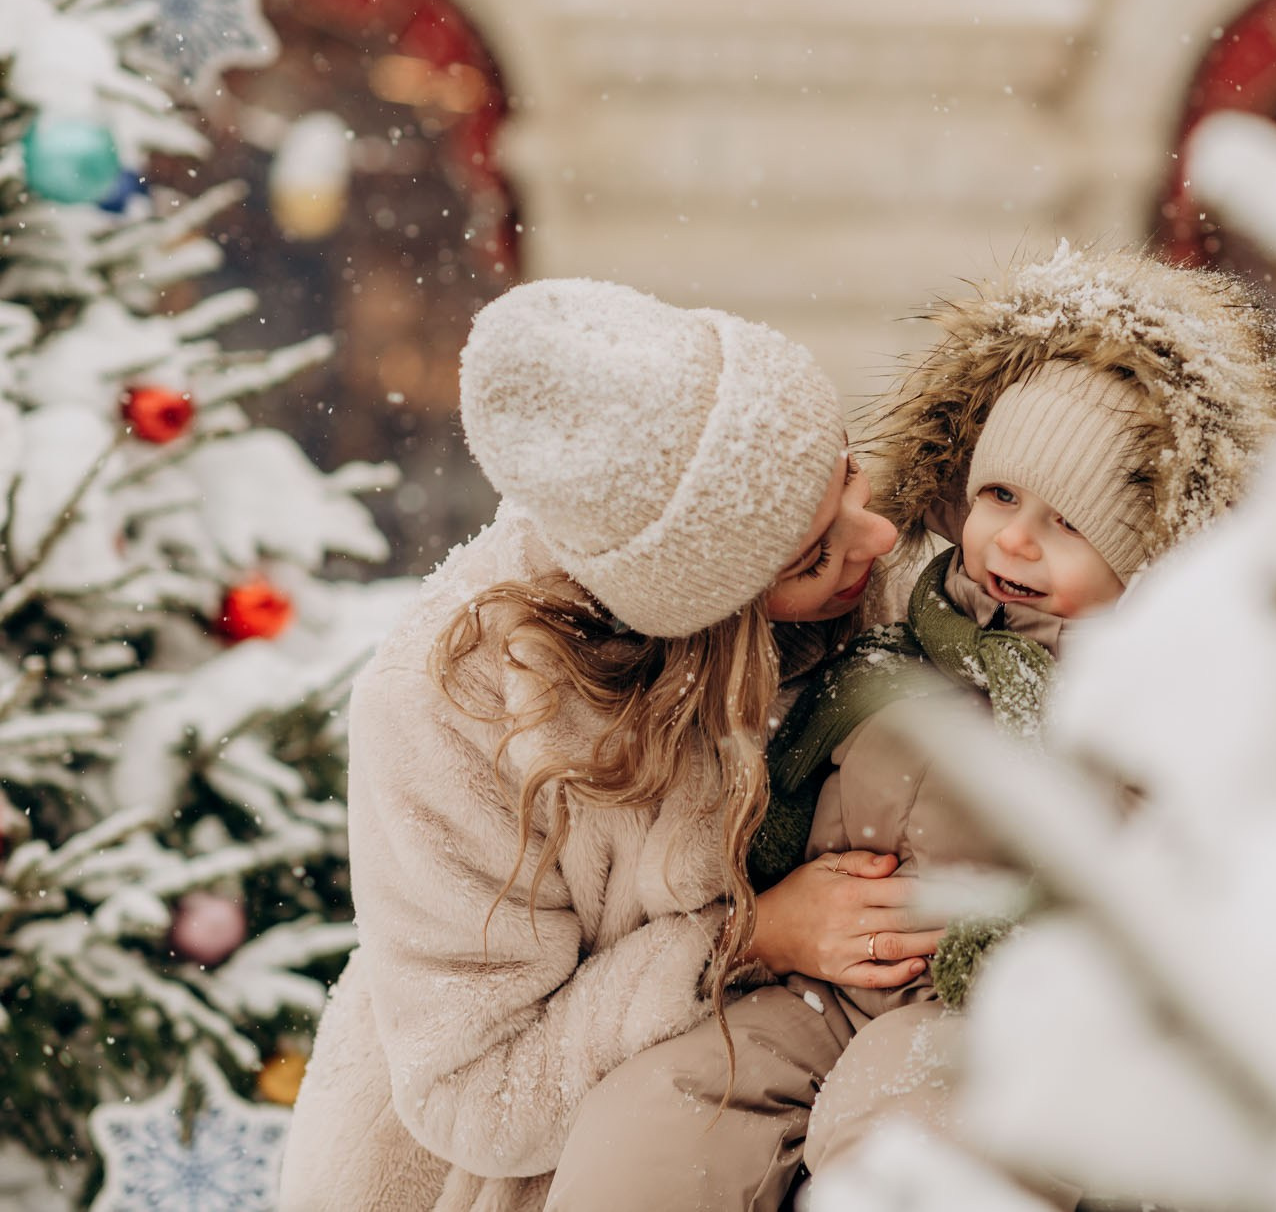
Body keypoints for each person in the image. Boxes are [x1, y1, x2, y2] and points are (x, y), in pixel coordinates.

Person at [545, 243, 1276, 1210]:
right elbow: (786, 781)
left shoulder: (1146, 700)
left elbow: (1186, 878)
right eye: (1000, 496)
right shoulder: (898, 639)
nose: (1015, 539)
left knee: (902, 1129)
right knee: (667, 1108)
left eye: (1068, 524)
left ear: (1149, 557)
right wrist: (769, 891)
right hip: (823, 988)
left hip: (994, 1012)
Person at [278, 278, 920, 1212]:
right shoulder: (448, 709)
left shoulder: (874, 585)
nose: (883, 535)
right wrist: (748, 937)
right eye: (812, 556)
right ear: (706, 617)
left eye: (850, 474)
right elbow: (477, 1090)